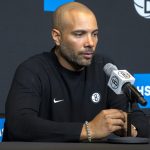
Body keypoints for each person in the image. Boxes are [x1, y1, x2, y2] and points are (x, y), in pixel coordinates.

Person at [3, 2, 148, 142]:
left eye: (94, 34)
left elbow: (140, 121)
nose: (90, 43)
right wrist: (88, 130)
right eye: (79, 34)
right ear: (57, 37)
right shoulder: (33, 70)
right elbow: (19, 125)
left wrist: (131, 129)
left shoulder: (104, 68)